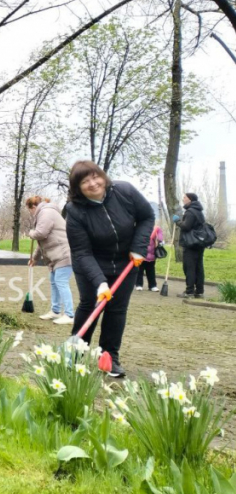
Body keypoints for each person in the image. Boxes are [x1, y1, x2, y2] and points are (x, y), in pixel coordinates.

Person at [63, 161, 154, 378]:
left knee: (117, 309)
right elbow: (82, 252)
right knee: (90, 305)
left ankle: (109, 358)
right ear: (77, 187)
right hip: (91, 263)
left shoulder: (125, 192)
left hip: (127, 262)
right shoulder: (75, 211)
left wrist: (138, 248)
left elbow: (147, 216)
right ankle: (76, 353)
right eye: (85, 181)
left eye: (96, 177)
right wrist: (100, 282)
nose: (93, 184)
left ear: (103, 176)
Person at [26, 195, 74, 325]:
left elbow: (40, 234)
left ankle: (69, 314)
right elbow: (42, 241)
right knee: (54, 281)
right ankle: (55, 311)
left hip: (63, 254)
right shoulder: (45, 213)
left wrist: (31, 233)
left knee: (61, 282)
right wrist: (35, 259)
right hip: (54, 256)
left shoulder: (46, 212)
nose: (31, 213)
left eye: (30, 210)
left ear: (33, 207)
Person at [173, 192, 207, 299]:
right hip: (199, 244)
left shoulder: (190, 212)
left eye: (184, 198)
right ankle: (199, 291)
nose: (183, 199)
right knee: (198, 267)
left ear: (190, 200)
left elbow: (186, 226)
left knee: (189, 268)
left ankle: (189, 292)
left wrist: (177, 221)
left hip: (190, 244)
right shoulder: (199, 212)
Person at [134, 225, 163, 292]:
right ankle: (139, 285)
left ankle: (152, 285)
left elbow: (160, 238)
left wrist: (159, 238)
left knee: (151, 272)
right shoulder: (140, 228)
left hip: (152, 256)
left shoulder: (156, 229)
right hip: (141, 255)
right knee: (139, 271)